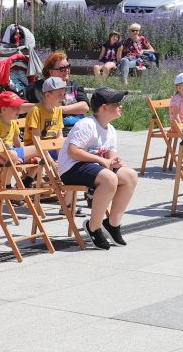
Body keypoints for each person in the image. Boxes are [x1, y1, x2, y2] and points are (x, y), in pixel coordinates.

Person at [55, 87, 138, 249]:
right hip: (72, 168)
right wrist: (102, 161)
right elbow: (73, 151)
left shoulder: (111, 130)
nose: (120, 106)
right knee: (109, 178)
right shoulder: (87, 124)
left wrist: (115, 162)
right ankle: (93, 226)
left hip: (94, 167)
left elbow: (110, 157)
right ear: (104, 107)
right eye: (116, 103)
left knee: (130, 176)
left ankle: (113, 224)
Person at [41, 51, 89, 127]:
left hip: (77, 129)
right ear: (51, 72)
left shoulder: (75, 85)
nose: (67, 70)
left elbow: (84, 107)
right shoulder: (42, 87)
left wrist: (58, 109)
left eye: (68, 66)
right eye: (62, 68)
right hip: (54, 130)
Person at [24, 77, 67, 147]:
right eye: (60, 95)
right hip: (34, 147)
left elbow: (59, 137)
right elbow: (36, 140)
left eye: (64, 94)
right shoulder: (36, 111)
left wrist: (61, 156)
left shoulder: (58, 109)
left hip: (51, 146)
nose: (63, 98)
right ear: (47, 95)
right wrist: (48, 158)